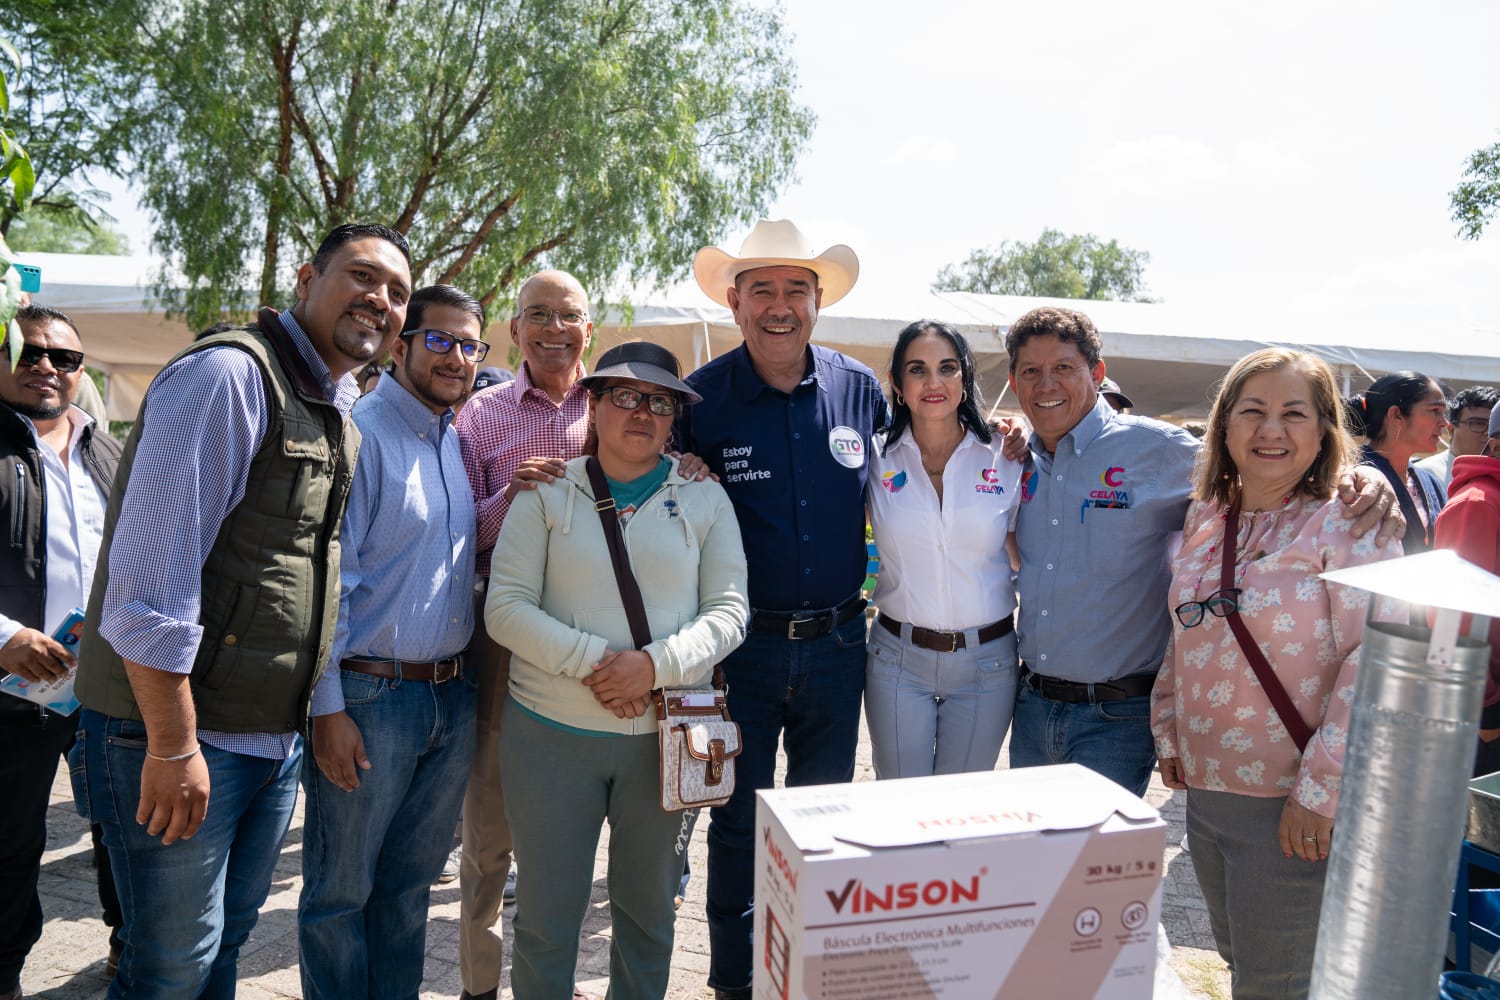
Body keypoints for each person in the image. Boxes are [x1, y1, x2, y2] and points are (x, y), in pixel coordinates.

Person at [69, 223, 411, 999]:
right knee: (168, 970)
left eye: (397, 291)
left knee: (222, 949)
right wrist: (172, 745)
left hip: (267, 738)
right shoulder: (229, 375)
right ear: (306, 280)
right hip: (175, 737)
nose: (380, 300)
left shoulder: (335, 403)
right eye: (362, 276)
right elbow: (148, 584)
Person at [1006, 307, 1403, 799]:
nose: (1047, 384)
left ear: (1097, 372)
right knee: (1031, 844)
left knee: (1093, 849)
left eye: (1064, 367)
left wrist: (1364, 475)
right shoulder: (1011, 458)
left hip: (1115, 717)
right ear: (1014, 381)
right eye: (1031, 371)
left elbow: (1264, 465)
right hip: (1032, 706)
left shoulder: (1158, 449)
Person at [487, 341, 748, 1000]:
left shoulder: (705, 497)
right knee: (545, 920)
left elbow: (729, 612)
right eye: (626, 396)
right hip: (549, 738)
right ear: (594, 404)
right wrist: (600, 665)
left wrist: (653, 667)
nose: (642, 413)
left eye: (659, 402)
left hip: (664, 741)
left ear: (674, 418)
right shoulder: (546, 491)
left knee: (648, 918)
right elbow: (506, 608)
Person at [676, 219, 887, 1000]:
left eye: (795, 289)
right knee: (737, 823)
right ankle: (734, 985)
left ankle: (810, 978)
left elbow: (920, 465)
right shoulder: (700, 402)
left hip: (839, 646)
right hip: (741, 652)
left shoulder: (860, 389)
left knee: (822, 821)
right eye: (760, 289)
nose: (778, 305)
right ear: (734, 304)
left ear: (817, 302)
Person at [1152, 347, 1403, 999]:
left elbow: (1378, 661)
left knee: (1277, 984)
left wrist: (1320, 792)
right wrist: (1169, 730)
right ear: (1224, 425)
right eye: (1253, 411)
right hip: (1209, 793)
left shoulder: (1350, 522)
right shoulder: (1210, 515)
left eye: (1294, 413)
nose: (1271, 430)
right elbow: (1186, 631)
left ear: (1323, 431)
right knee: (1243, 963)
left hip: (1294, 805)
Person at [297, 285, 485, 999]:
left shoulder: (450, 437)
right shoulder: (362, 434)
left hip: (450, 698)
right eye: (439, 340)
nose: (456, 357)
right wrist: (328, 709)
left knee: (407, 892)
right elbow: (331, 581)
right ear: (400, 346)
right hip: (369, 700)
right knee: (340, 895)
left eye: (469, 345)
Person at [450, 270, 592, 1000]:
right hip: (502, 638)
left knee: (563, 835)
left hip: (593, 639)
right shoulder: (480, 417)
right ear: (514, 331)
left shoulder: (620, 405)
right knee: (488, 830)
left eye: (568, 316)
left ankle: (546, 980)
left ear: (589, 329)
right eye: (538, 314)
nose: (553, 329)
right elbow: (458, 538)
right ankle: (478, 984)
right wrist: (510, 495)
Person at [0, 306, 123, 999]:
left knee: (123, 833)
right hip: (10, 693)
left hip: (106, 688)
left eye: (65, 358)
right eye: (28, 351)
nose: (46, 366)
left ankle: (130, 952)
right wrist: (5, 638)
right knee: (9, 845)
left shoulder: (110, 454)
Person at [864, 320, 1023, 777]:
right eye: (917, 369)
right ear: (896, 383)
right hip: (897, 661)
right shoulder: (872, 457)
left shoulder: (1008, 455)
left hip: (987, 663)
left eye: (947, 368)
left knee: (961, 806)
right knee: (900, 801)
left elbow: (1029, 551)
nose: (933, 382)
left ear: (965, 376)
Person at [1434, 404, 1500, 778]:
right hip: (1485, 715)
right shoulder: (1478, 504)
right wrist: (1485, 707)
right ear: (1496, 444)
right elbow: (1449, 617)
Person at [1347, 371, 1448, 553]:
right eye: (1435, 411)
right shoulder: (1354, 477)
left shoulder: (1430, 481)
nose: (1444, 422)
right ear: (1396, 415)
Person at [1416, 385, 1498, 489]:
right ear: (1451, 430)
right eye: (1478, 424)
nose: (1489, 433)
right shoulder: (1424, 475)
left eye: (1495, 427)